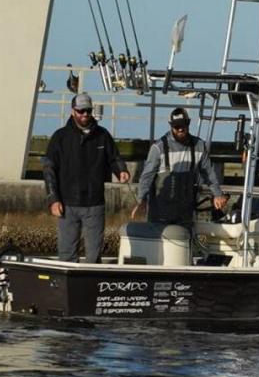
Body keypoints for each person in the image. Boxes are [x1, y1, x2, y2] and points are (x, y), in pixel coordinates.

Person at [43, 93, 130, 262]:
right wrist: (53, 200)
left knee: (93, 257)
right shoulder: (60, 137)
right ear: (72, 111)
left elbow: (114, 158)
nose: (84, 115)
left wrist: (121, 170)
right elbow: (49, 170)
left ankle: (91, 286)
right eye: (80, 111)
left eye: (88, 111)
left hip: (94, 204)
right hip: (68, 205)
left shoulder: (103, 135)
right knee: (66, 256)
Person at [132, 107, 227, 226]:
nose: (181, 129)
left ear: (189, 123)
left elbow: (208, 173)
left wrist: (217, 194)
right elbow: (147, 177)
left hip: (186, 213)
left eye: (184, 125)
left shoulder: (199, 146)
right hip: (160, 214)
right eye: (177, 126)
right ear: (171, 126)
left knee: (185, 240)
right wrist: (142, 200)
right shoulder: (158, 148)